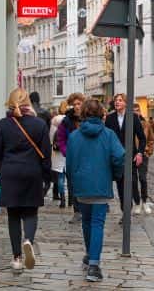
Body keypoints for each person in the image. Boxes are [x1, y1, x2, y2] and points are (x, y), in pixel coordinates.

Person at [0, 88, 54, 272]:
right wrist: (46, 177)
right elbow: (46, 155)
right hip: (31, 173)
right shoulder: (39, 124)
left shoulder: (3, 124)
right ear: (28, 103)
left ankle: (17, 258)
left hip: (10, 173)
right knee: (30, 213)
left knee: (13, 216)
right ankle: (28, 241)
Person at [66, 98, 125, 283]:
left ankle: (89, 255)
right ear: (102, 114)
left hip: (82, 185)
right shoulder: (109, 135)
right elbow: (119, 156)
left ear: (82, 114)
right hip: (100, 184)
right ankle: (93, 264)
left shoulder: (74, 136)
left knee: (86, 221)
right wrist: (115, 175)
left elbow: (69, 164)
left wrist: (73, 183)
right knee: (97, 223)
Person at [103, 94, 146, 214]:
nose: (117, 102)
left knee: (131, 184)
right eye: (116, 100)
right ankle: (125, 212)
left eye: (120, 100)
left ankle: (128, 210)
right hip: (116, 158)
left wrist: (140, 153)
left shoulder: (133, 117)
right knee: (120, 186)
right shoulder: (110, 118)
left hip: (130, 157)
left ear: (126, 103)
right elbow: (106, 138)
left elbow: (142, 138)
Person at [56, 92, 86, 222]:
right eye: (74, 104)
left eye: (79, 104)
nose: (77, 106)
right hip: (72, 158)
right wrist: (65, 151)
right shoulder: (66, 121)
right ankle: (77, 211)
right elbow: (61, 138)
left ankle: (85, 209)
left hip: (87, 157)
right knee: (72, 184)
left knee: (85, 183)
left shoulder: (89, 118)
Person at [49, 101, 68, 208]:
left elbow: (51, 138)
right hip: (68, 151)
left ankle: (63, 199)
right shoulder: (70, 121)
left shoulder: (54, 121)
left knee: (60, 177)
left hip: (57, 153)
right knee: (70, 178)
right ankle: (71, 201)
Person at [139, 111, 154, 215]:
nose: (135, 112)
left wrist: (148, 151)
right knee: (131, 181)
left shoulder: (146, 124)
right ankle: (137, 201)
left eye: (137, 110)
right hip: (131, 155)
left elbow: (151, 139)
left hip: (143, 154)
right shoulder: (127, 123)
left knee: (142, 178)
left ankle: (144, 201)